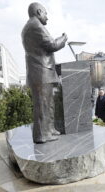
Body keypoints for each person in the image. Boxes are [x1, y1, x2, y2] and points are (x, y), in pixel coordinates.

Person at [22, 2, 68, 143]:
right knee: (42, 105)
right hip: (41, 72)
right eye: (46, 13)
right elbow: (52, 45)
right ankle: (41, 135)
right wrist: (64, 38)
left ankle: (49, 129)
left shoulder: (28, 27)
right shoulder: (35, 26)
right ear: (39, 12)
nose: (47, 17)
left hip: (43, 72)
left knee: (48, 104)